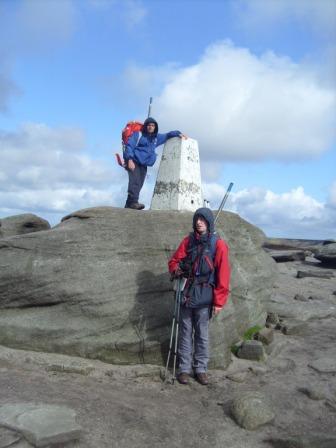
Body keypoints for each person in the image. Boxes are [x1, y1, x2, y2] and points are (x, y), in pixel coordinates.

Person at [168, 207, 230, 385]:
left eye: (203, 219)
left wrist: (219, 302)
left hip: (205, 295)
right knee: (185, 332)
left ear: (209, 222)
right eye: (197, 219)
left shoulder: (218, 244)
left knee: (202, 334)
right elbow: (173, 261)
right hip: (186, 293)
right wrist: (177, 270)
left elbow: (223, 274)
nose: (199, 222)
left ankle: (201, 369)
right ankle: (184, 369)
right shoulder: (188, 241)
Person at [124, 117, 187, 210]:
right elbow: (130, 146)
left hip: (144, 164)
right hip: (134, 161)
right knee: (135, 182)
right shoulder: (138, 134)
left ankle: (128, 204)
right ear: (145, 126)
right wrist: (129, 160)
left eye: (153, 125)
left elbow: (167, 135)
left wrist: (178, 133)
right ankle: (133, 202)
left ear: (155, 127)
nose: (150, 127)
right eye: (149, 125)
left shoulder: (156, 138)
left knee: (139, 183)